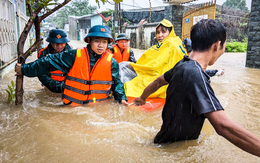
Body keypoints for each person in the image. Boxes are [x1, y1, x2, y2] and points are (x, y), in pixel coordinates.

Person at [134, 19, 260, 157]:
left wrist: (142, 97)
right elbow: (223, 126)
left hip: (162, 144)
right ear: (217, 45)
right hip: (173, 153)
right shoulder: (196, 75)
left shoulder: (182, 64)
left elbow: (158, 82)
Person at [15, 25, 128, 106]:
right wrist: (24, 69)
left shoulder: (111, 61)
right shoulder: (74, 55)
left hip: (99, 106)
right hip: (74, 105)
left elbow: (117, 83)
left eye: (104, 42)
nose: (101, 45)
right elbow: (48, 61)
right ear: (89, 40)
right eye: (97, 41)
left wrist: (122, 99)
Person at [123, 19, 187, 98]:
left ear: (170, 32)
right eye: (158, 32)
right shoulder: (177, 40)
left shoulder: (169, 44)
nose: (160, 35)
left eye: (163, 32)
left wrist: (138, 67)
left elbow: (156, 64)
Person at [37, 29, 72, 93]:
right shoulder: (43, 53)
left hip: (68, 85)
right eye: (56, 43)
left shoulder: (72, 53)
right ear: (51, 42)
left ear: (65, 42)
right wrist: (55, 86)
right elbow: (41, 74)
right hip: (50, 86)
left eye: (61, 43)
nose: (59, 46)